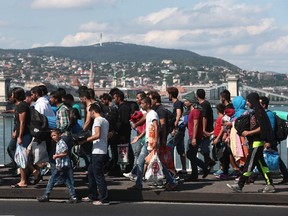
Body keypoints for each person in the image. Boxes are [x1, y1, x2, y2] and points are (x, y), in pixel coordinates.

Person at [227, 93, 275, 193]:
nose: (247, 103)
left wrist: (249, 132)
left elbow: (262, 127)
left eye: (248, 101)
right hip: (255, 142)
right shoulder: (256, 112)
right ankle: (270, 184)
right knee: (262, 165)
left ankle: (240, 185)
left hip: (256, 143)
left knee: (249, 164)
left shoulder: (258, 112)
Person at [128, 97, 177, 190]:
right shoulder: (149, 114)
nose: (141, 105)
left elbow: (156, 126)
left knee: (145, 162)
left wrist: (155, 140)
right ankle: (171, 181)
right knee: (150, 162)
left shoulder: (153, 114)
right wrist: (139, 137)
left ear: (147, 104)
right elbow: (148, 128)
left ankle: (139, 184)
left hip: (151, 142)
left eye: (142, 103)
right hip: (148, 141)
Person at [79, 103, 110, 205]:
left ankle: (104, 199)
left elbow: (97, 135)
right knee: (91, 173)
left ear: (92, 111)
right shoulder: (105, 120)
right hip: (100, 150)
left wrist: (84, 140)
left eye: (89, 112)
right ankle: (92, 195)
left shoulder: (97, 120)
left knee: (98, 175)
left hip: (98, 151)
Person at [37, 129, 78, 203]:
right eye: (52, 136)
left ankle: (46, 195)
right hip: (62, 165)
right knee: (67, 180)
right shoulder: (58, 143)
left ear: (59, 135)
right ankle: (73, 197)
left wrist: (56, 156)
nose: (53, 137)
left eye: (54, 135)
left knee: (51, 179)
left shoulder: (62, 143)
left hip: (61, 165)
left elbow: (65, 153)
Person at [259, 96, 288, 184]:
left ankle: (249, 177)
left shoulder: (269, 114)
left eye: (259, 104)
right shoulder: (264, 114)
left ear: (264, 105)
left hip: (270, 140)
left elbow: (270, 128)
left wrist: (268, 141)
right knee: (275, 158)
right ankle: (286, 176)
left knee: (274, 158)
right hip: (269, 140)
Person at [183, 92, 209, 182]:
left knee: (191, 155)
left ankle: (196, 174)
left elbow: (196, 124)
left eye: (186, 101)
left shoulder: (195, 111)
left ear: (191, 102)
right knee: (191, 155)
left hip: (195, 136)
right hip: (192, 135)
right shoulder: (193, 111)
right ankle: (202, 169)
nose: (185, 102)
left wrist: (193, 138)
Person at [11, 87, 32, 188]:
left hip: (24, 135)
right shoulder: (21, 106)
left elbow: (22, 123)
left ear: (16, 96)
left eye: (11, 95)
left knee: (21, 158)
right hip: (23, 135)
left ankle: (23, 181)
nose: (10, 97)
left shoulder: (22, 106)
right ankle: (32, 173)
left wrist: (19, 136)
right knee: (22, 157)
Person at [123, 91, 146, 180]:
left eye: (138, 98)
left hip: (142, 135)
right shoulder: (140, 109)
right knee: (139, 153)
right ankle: (136, 172)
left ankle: (135, 173)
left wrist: (135, 124)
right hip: (140, 133)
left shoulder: (144, 111)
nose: (136, 100)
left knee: (138, 153)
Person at [166, 87, 187, 175]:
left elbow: (178, 115)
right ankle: (184, 168)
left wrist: (174, 126)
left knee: (169, 147)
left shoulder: (177, 104)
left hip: (177, 129)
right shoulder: (179, 103)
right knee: (181, 149)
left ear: (171, 94)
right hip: (181, 130)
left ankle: (172, 169)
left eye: (167, 94)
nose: (167, 95)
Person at [196, 89, 215, 169]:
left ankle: (207, 164)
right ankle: (208, 162)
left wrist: (203, 129)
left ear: (197, 96)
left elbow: (204, 117)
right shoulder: (204, 104)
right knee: (202, 148)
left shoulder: (204, 104)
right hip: (205, 129)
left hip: (206, 130)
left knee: (204, 148)